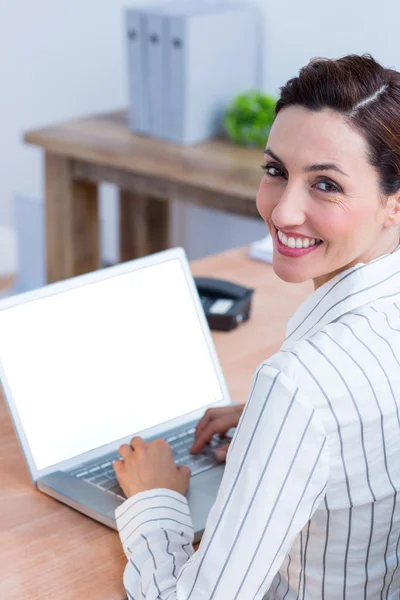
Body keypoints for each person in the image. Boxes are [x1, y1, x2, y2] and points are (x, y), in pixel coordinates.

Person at [113, 54, 400, 599]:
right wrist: (272, 428)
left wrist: (154, 499)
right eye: (276, 172)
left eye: (327, 186)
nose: (284, 211)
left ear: (394, 203)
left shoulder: (301, 386)